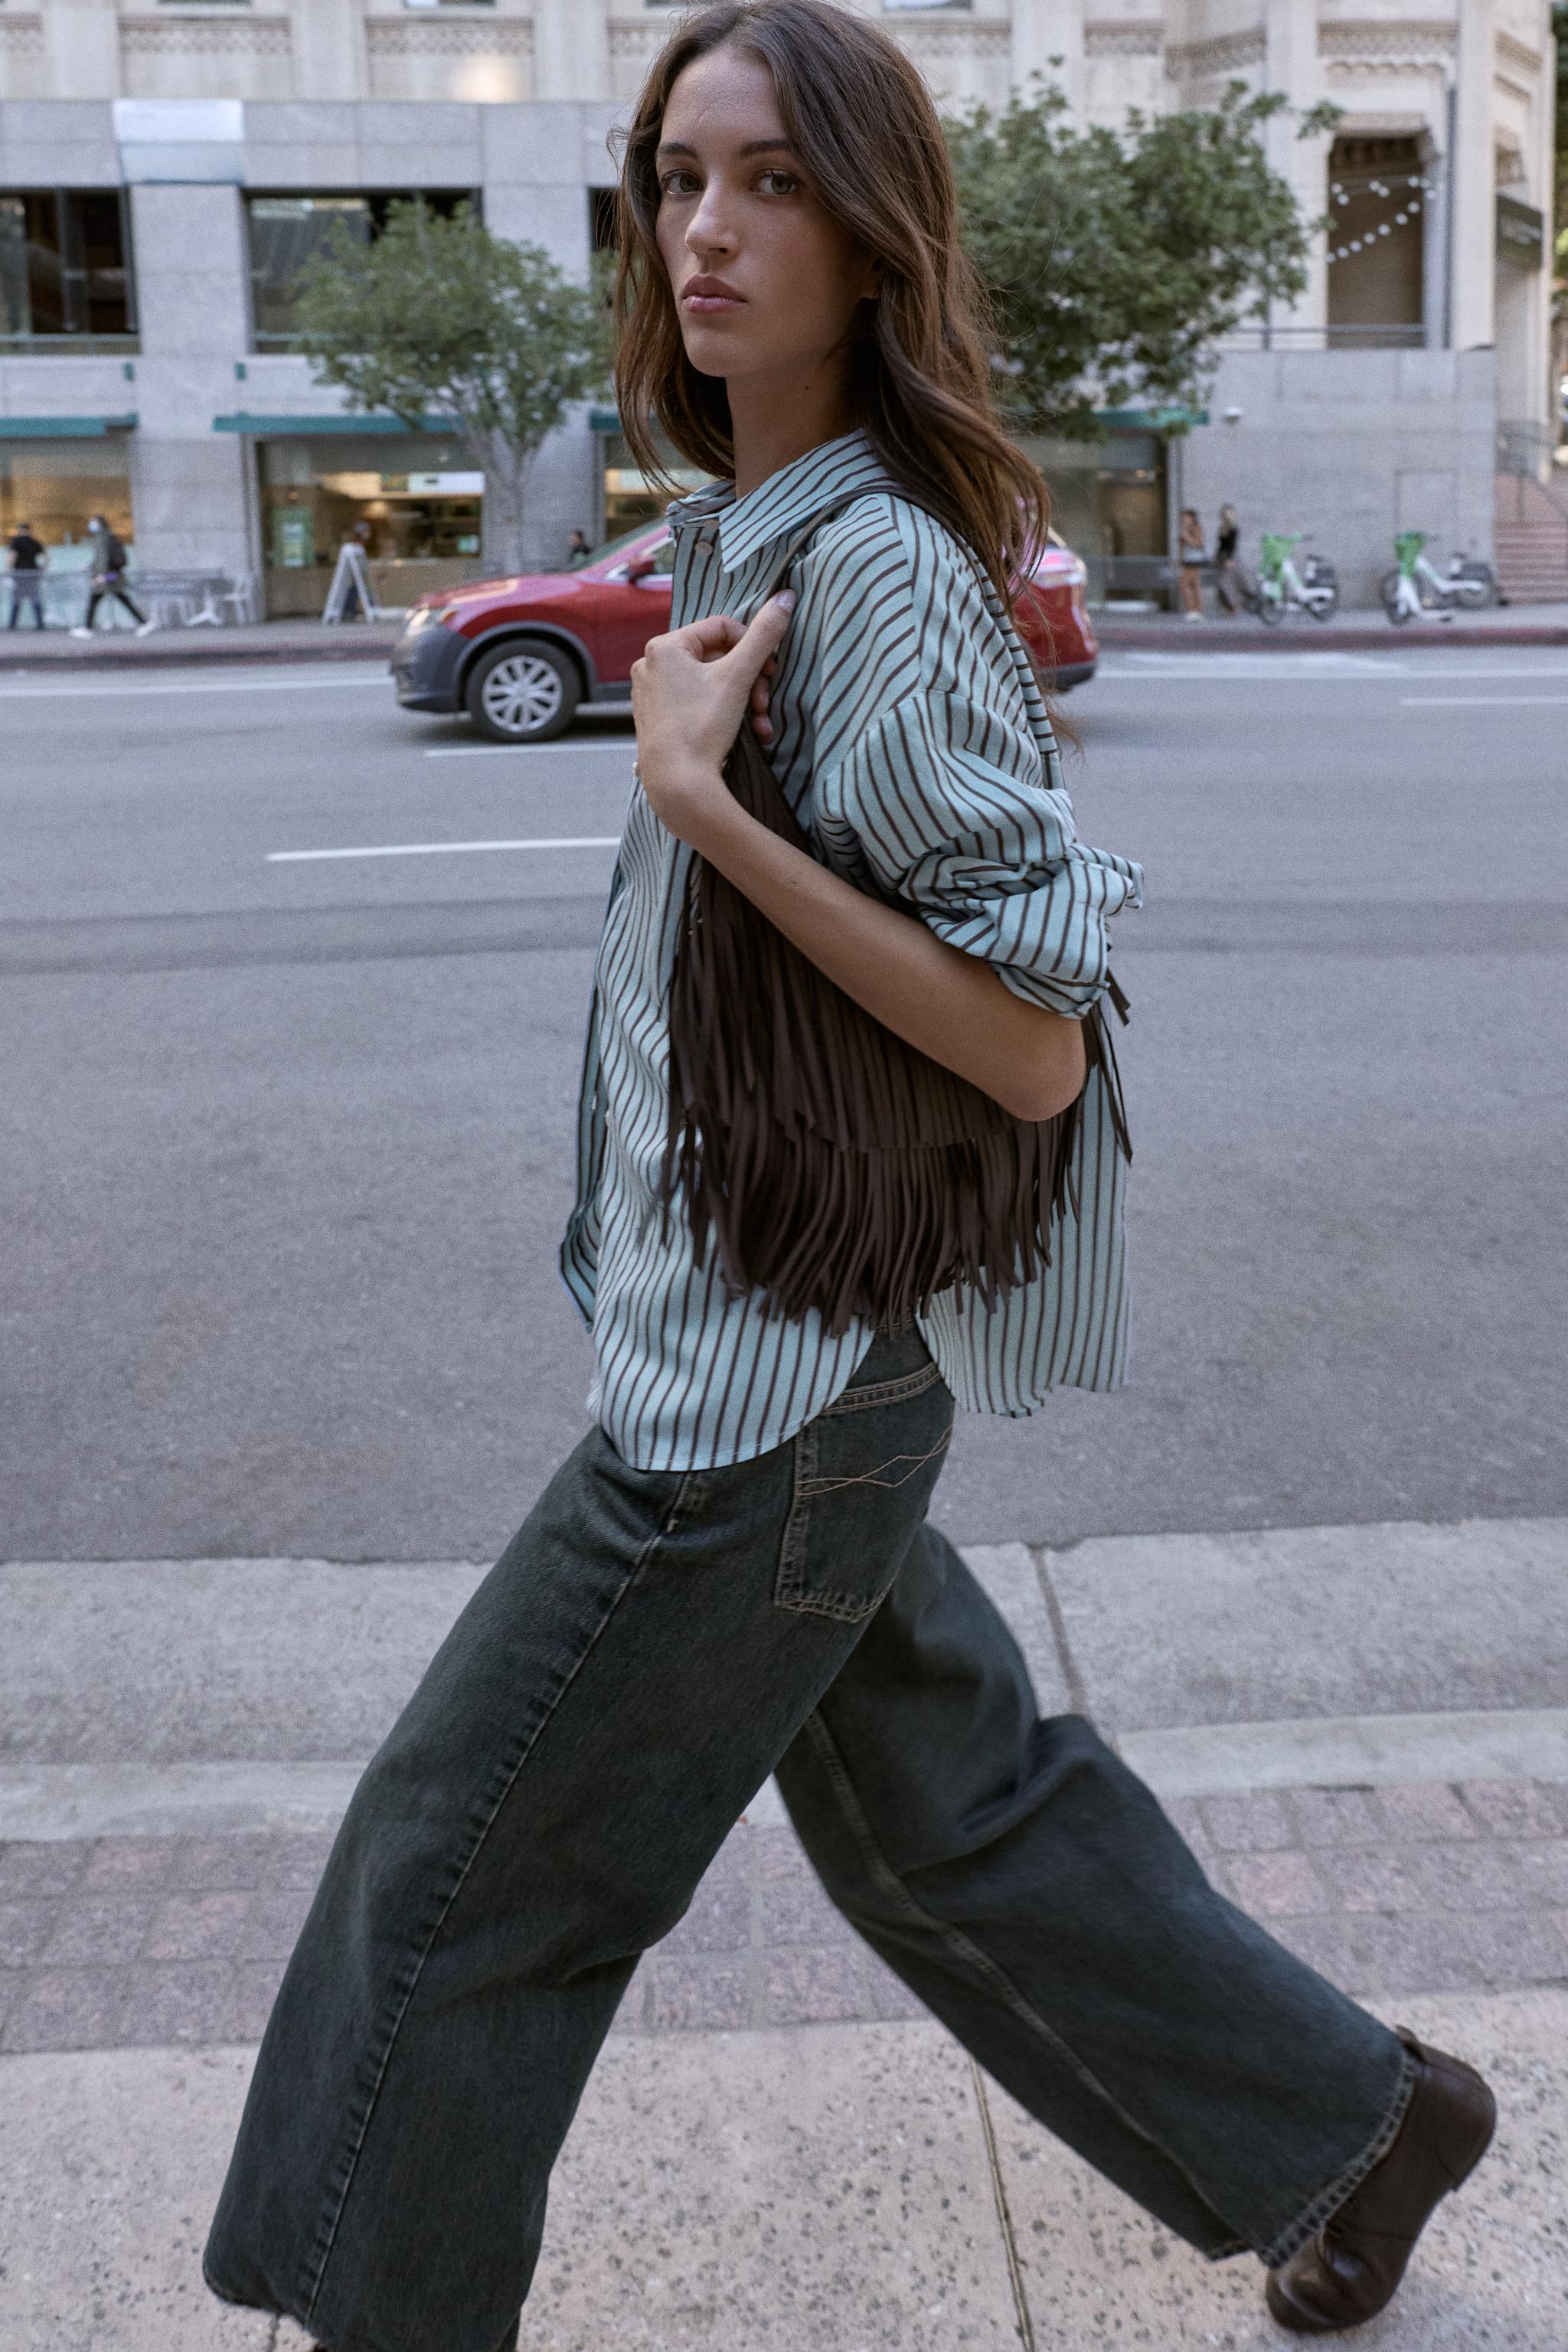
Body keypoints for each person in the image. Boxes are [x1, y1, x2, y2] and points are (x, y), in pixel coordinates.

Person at [204, 6, 1496, 2349]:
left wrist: (696, 804)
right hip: (800, 1354)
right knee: (954, 1826)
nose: (704, 227)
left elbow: (1025, 1038)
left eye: (771, 182)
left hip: (752, 1419)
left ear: (873, 231)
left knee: (458, 1879)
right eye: (675, 176)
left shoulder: (870, 572)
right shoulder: (743, 522)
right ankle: (1352, 2125)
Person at [70, 514, 154, 637]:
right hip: (112, 576)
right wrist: (90, 566)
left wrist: (100, 577)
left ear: (98, 524)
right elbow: (99, 559)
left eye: (93, 523)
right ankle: (144, 623)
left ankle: (87, 629)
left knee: (96, 600)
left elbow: (103, 559)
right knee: (122, 599)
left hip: (108, 577)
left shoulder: (102, 538)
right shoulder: (106, 537)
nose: (91, 525)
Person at [5, 520, 47, 629]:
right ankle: (40, 624)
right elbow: (46, 557)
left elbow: (12, 555)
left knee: (16, 600)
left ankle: (12, 625)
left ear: (20, 530)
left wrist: (8, 570)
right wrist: (42, 569)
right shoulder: (34, 542)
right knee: (35, 599)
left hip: (19, 574)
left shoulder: (16, 541)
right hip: (32, 574)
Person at [1214, 501, 1246, 615]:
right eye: (1224, 513)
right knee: (1223, 584)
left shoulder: (1233, 528)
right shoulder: (1223, 528)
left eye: (1228, 513)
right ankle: (1231, 607)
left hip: (1230, 558)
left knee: (1225, 583)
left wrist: (1230, 559)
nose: (1226, 516)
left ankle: (1234, 606)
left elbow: (1232, 545)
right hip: (1223, 558)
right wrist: (1217, 556)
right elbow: (1221, 545)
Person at [1177, 505, 1206, 619]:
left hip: (1194, 561)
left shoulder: (1197, 528)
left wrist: (1187, 537)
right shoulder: (1185, 529)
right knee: (1194, 585)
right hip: (1187, 561)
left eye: (1186, 517)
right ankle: (1199, 611)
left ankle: (1193, 610)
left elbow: (1199, 544)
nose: (1184, 520)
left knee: (1183, 583)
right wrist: (1179, 561)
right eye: (1183, 518)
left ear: (1192, 517)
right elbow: (1183, 548)